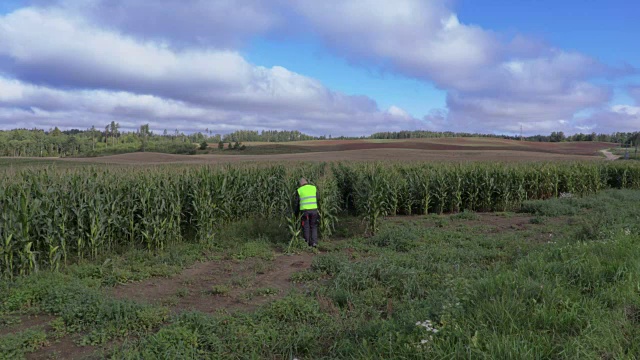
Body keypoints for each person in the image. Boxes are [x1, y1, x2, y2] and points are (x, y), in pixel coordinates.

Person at [294, 177, 319, 247]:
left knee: (306, 226)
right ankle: (314, 243)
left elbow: (297, 203)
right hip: (314, 210)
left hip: (305, 212)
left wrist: (296, 213)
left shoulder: (299, 190)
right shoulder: (313, 188)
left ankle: (307, 243)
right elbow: (318, 198)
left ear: (301, 184)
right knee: (314, 226)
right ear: (306, 182)